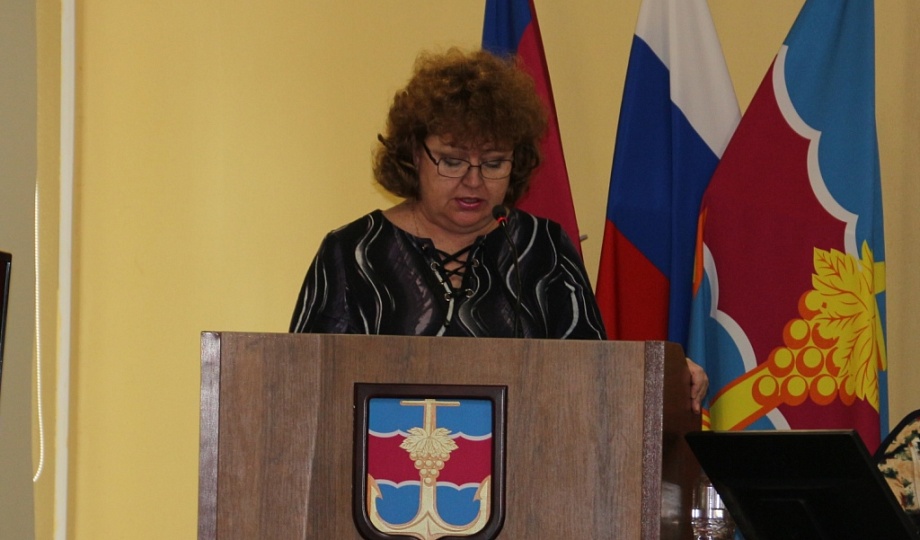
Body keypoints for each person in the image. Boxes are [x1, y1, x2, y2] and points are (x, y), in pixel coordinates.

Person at [289, 47, 708, 412]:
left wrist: (665, 379)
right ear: (415, 154)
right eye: (452, 161)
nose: (473, 181)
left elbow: (594, 378)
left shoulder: (544, 248)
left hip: (524, 471)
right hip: (380, 471)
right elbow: (302, 383)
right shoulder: (353, 252)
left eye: (493, 163)